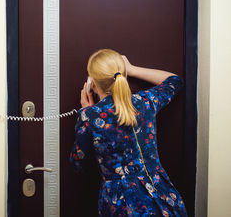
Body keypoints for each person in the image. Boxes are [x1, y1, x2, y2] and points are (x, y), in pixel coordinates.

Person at [69, 49, 187, 217]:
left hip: (119, 205)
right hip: (160, 196)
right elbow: (174, 81)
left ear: (92, 83)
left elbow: (77, 163)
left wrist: (86, 114)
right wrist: (132, 69)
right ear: (122, 74)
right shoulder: (145, 103)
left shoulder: (90, 117)